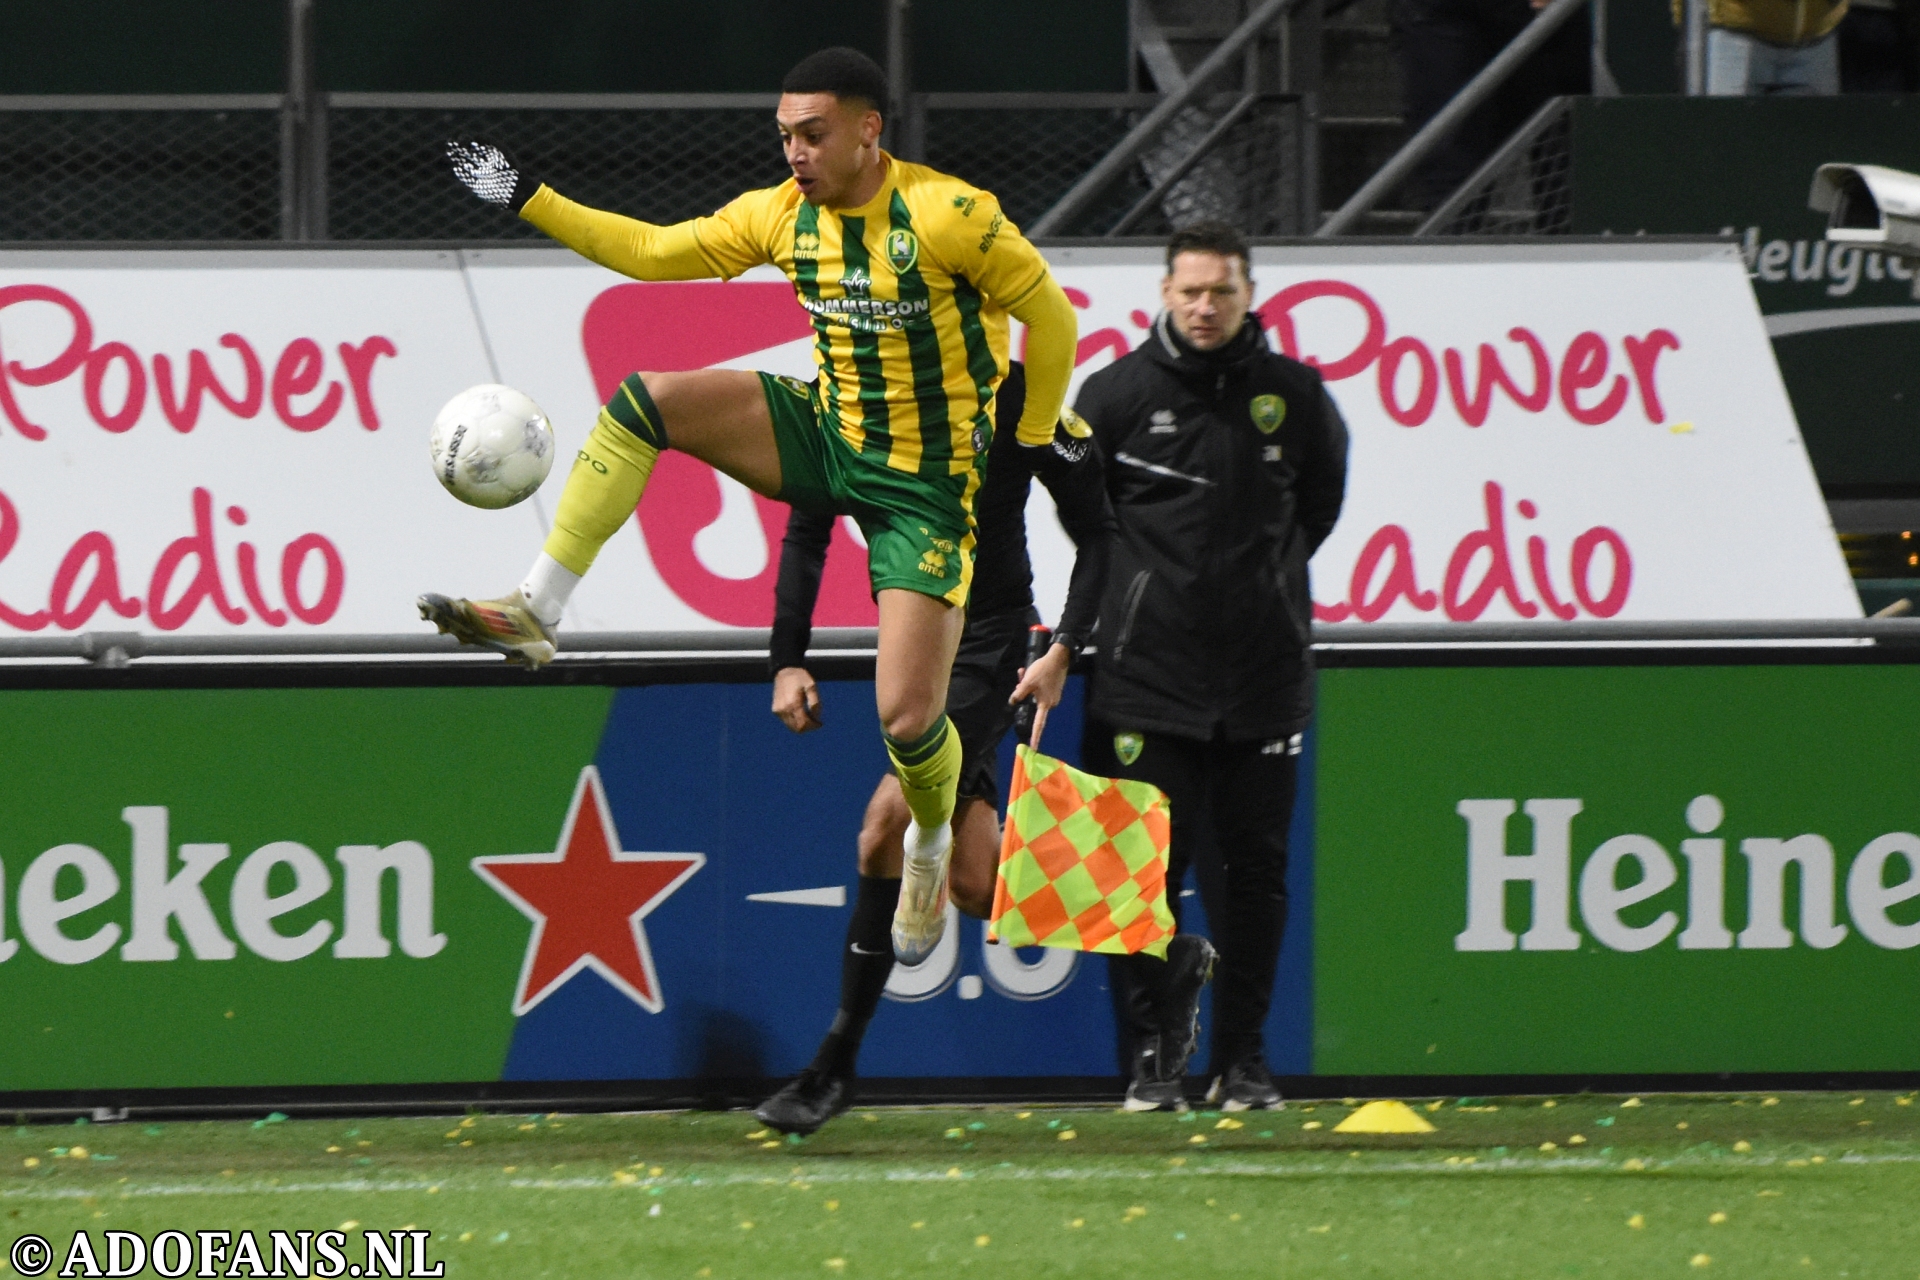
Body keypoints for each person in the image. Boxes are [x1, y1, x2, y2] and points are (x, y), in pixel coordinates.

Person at [421, 47, 1079, 964]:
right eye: (784, 137)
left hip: (925, 490)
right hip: (828, 434)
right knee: (645, 401)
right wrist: (527, 194)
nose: (795, 154)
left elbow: (1054, 320)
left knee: (905, 720)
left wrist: (1030, 435)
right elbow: (650, 253)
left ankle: (928, 842)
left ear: (867, 129)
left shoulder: (951, 216)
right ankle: (538, 609)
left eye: (812, 135)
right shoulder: (781, 216)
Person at [753, 361, 1114, 1135]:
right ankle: (1170, 946)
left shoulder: (1022, 393)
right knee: (981, 887)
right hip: (918, 646)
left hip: (991, 646)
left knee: (886, 820)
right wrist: (788, 656)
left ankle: (832, 1068)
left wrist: (1064, 650)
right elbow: (809, 527)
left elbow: (1099, 527)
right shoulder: (859, 383)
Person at [1074, 221, 1347, 1113]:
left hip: (1264, 683)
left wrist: (1264, 595)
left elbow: (1320, 507)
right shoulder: (1109, 397)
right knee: (1135, 880)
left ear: (1248, 295)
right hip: (1143, 681)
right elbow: (1086, 526)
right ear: (1162, 291)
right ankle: (1154, 1064)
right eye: (1189, 290)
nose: (1204, 306)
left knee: (1256, 879)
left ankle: (1245, 1064)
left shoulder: (1297, 397)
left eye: (1221, 292)